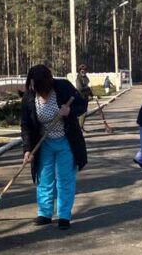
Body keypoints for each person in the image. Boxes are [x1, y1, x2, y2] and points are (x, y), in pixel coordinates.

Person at [21, 63, 87, 229]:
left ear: (47, 83)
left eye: (39, 87)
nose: (35, 90)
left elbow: (82, 105)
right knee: (44, 178)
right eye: (32, 86)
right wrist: (27, 149)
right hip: (44, 143)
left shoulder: (63, 87)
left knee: (65, 179)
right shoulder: (29, 96)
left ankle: (64, 215)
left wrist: (69, 112)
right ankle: (44, 213)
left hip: (66, 140)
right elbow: (26, 125)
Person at [75, 63, 92, 129]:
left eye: (85, 70)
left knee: (84, 113)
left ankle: (81, 127)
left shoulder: (86, 78)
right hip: (80, 98)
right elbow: (79, 89)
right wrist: (87, 87)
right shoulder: (78, 79)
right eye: (82, 70)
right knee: (82, 113)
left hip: (85, 98)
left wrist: (91, 95)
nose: (83, 72)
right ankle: (80, 128)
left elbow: (89, 88)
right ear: (79, 71)